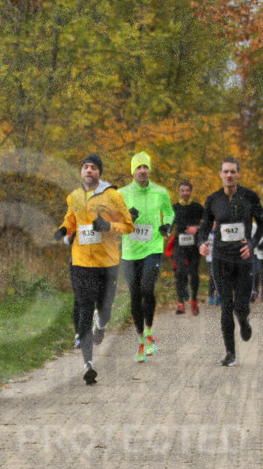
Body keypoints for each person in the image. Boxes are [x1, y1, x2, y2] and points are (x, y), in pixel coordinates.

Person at [55, 154, 133, 383]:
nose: (89, 171)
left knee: (105, 308)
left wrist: (108, 226)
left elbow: (128, 225)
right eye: (85, 167)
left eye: (93, 168)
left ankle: (102, 324)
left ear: (99, 172)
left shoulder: (113, 196)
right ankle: (88, 363)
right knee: (85, 306)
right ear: (81, 172)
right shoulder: (74, 196)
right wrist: (62, 230)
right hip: (81, 262)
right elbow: (71, 219)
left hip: (107, 262)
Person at [197, 157, 263, 367]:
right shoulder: (213, 200)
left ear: (238, 174)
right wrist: (201, 242)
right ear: (220, 174)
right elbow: (204, 225)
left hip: (243, 259)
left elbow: (262, 224)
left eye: (233, 172)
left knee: (240, 307)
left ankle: (243, 321)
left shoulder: (250, 197)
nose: (229, 175)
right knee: (226, 306)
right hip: (221, 259)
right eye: (225, 171)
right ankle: (230, 353)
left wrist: (251, 245)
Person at [120, 151, 175, 363]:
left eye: (145, 167)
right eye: (138, 167)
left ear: (149, 170)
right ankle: (141, 339)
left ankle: (149, 332)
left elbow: (169, 212)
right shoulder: (122, 194)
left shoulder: (161, 192)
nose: (142, 171)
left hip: (153, 248)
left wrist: (167, 225)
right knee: (134, 294)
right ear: (133, 171)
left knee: (147, 288)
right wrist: (127, 218)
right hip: (130, 251)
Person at [170, 179, 204, 316]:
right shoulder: (174, 208)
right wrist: (166, 232)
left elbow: (208, 221)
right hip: (180, 245)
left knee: (194, 273)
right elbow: (169, 223)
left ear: (191, 191)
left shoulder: (197, 207)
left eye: (187, 190)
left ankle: (194, 301)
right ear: (179, 192)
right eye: (182, 190)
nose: (185, 193)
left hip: (194, 245)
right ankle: (180, 302)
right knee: (180, 272)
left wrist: (198, 228)